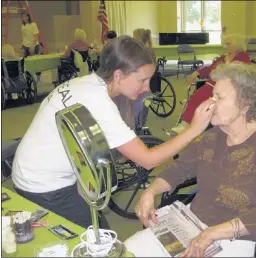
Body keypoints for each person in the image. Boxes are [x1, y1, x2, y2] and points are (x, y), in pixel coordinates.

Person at [11, 36, 215, 229]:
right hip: (42, 184)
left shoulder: (86, 83)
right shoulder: (98, 102)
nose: (146, 88)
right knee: (103, 240)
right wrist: (194, 129)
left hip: (31, 170)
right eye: (142, 80)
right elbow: (148, 159)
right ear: (119, 75)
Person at [125, 62, 256, 257]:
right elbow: (180, 168)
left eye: (219, 97)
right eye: (213, 95)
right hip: (192, 221)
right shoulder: (213, 136)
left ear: (245, 105)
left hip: (236, 237)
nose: (210, 103)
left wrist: (213, 233)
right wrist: (150, 192)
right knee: (128, 250)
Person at [170, 34, 250, 134]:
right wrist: (197, 72)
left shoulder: (243, 57)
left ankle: (187, 125)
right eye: (225, 44)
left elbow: (238, 73)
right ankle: (186, 124)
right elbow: (209, 69)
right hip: (212, 85)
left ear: (236, 45)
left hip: (229, 86)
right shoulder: (222, 58)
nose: (225, 46)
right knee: (196, 97)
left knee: (199, 96)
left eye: (228, 43)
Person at [132, 28, 155, 126]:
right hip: (148, 83)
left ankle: (136, 125)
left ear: (138, 38)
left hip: (143, 84)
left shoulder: (141, 52)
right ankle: (139, 125)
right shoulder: (148, 49)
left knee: (137, 105)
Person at [20, 11, 41, 83]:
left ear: (28, 17)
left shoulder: (33, 24)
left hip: (34, 45)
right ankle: (27, 77)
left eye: (25, 16)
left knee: (36, 62)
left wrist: (33, 46)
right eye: (23, 17)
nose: (24, 18)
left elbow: (36, 36)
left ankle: (38, 78)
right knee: (25, 62)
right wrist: (22, 44)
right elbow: (24, 35)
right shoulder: (23, 25)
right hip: (25, 45)